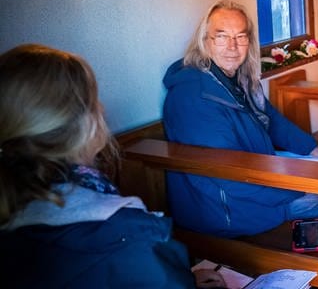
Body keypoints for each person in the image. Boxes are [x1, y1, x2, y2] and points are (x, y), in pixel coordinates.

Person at [0, 44, 225, 288]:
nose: (103, 107)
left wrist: (185, 281)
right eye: (93, 100)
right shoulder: (126, 238)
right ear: (84, 125)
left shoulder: (16, 205)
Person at [162, 0, 318, 238]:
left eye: (240, 37)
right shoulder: (194, 96)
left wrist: (311, 148)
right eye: (222, 36)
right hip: (225, 208)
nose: (232, 47)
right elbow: (229, 176)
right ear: (205, 41)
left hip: (258, 176)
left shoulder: (234, 79)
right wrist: (297, 189)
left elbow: (270, 119)